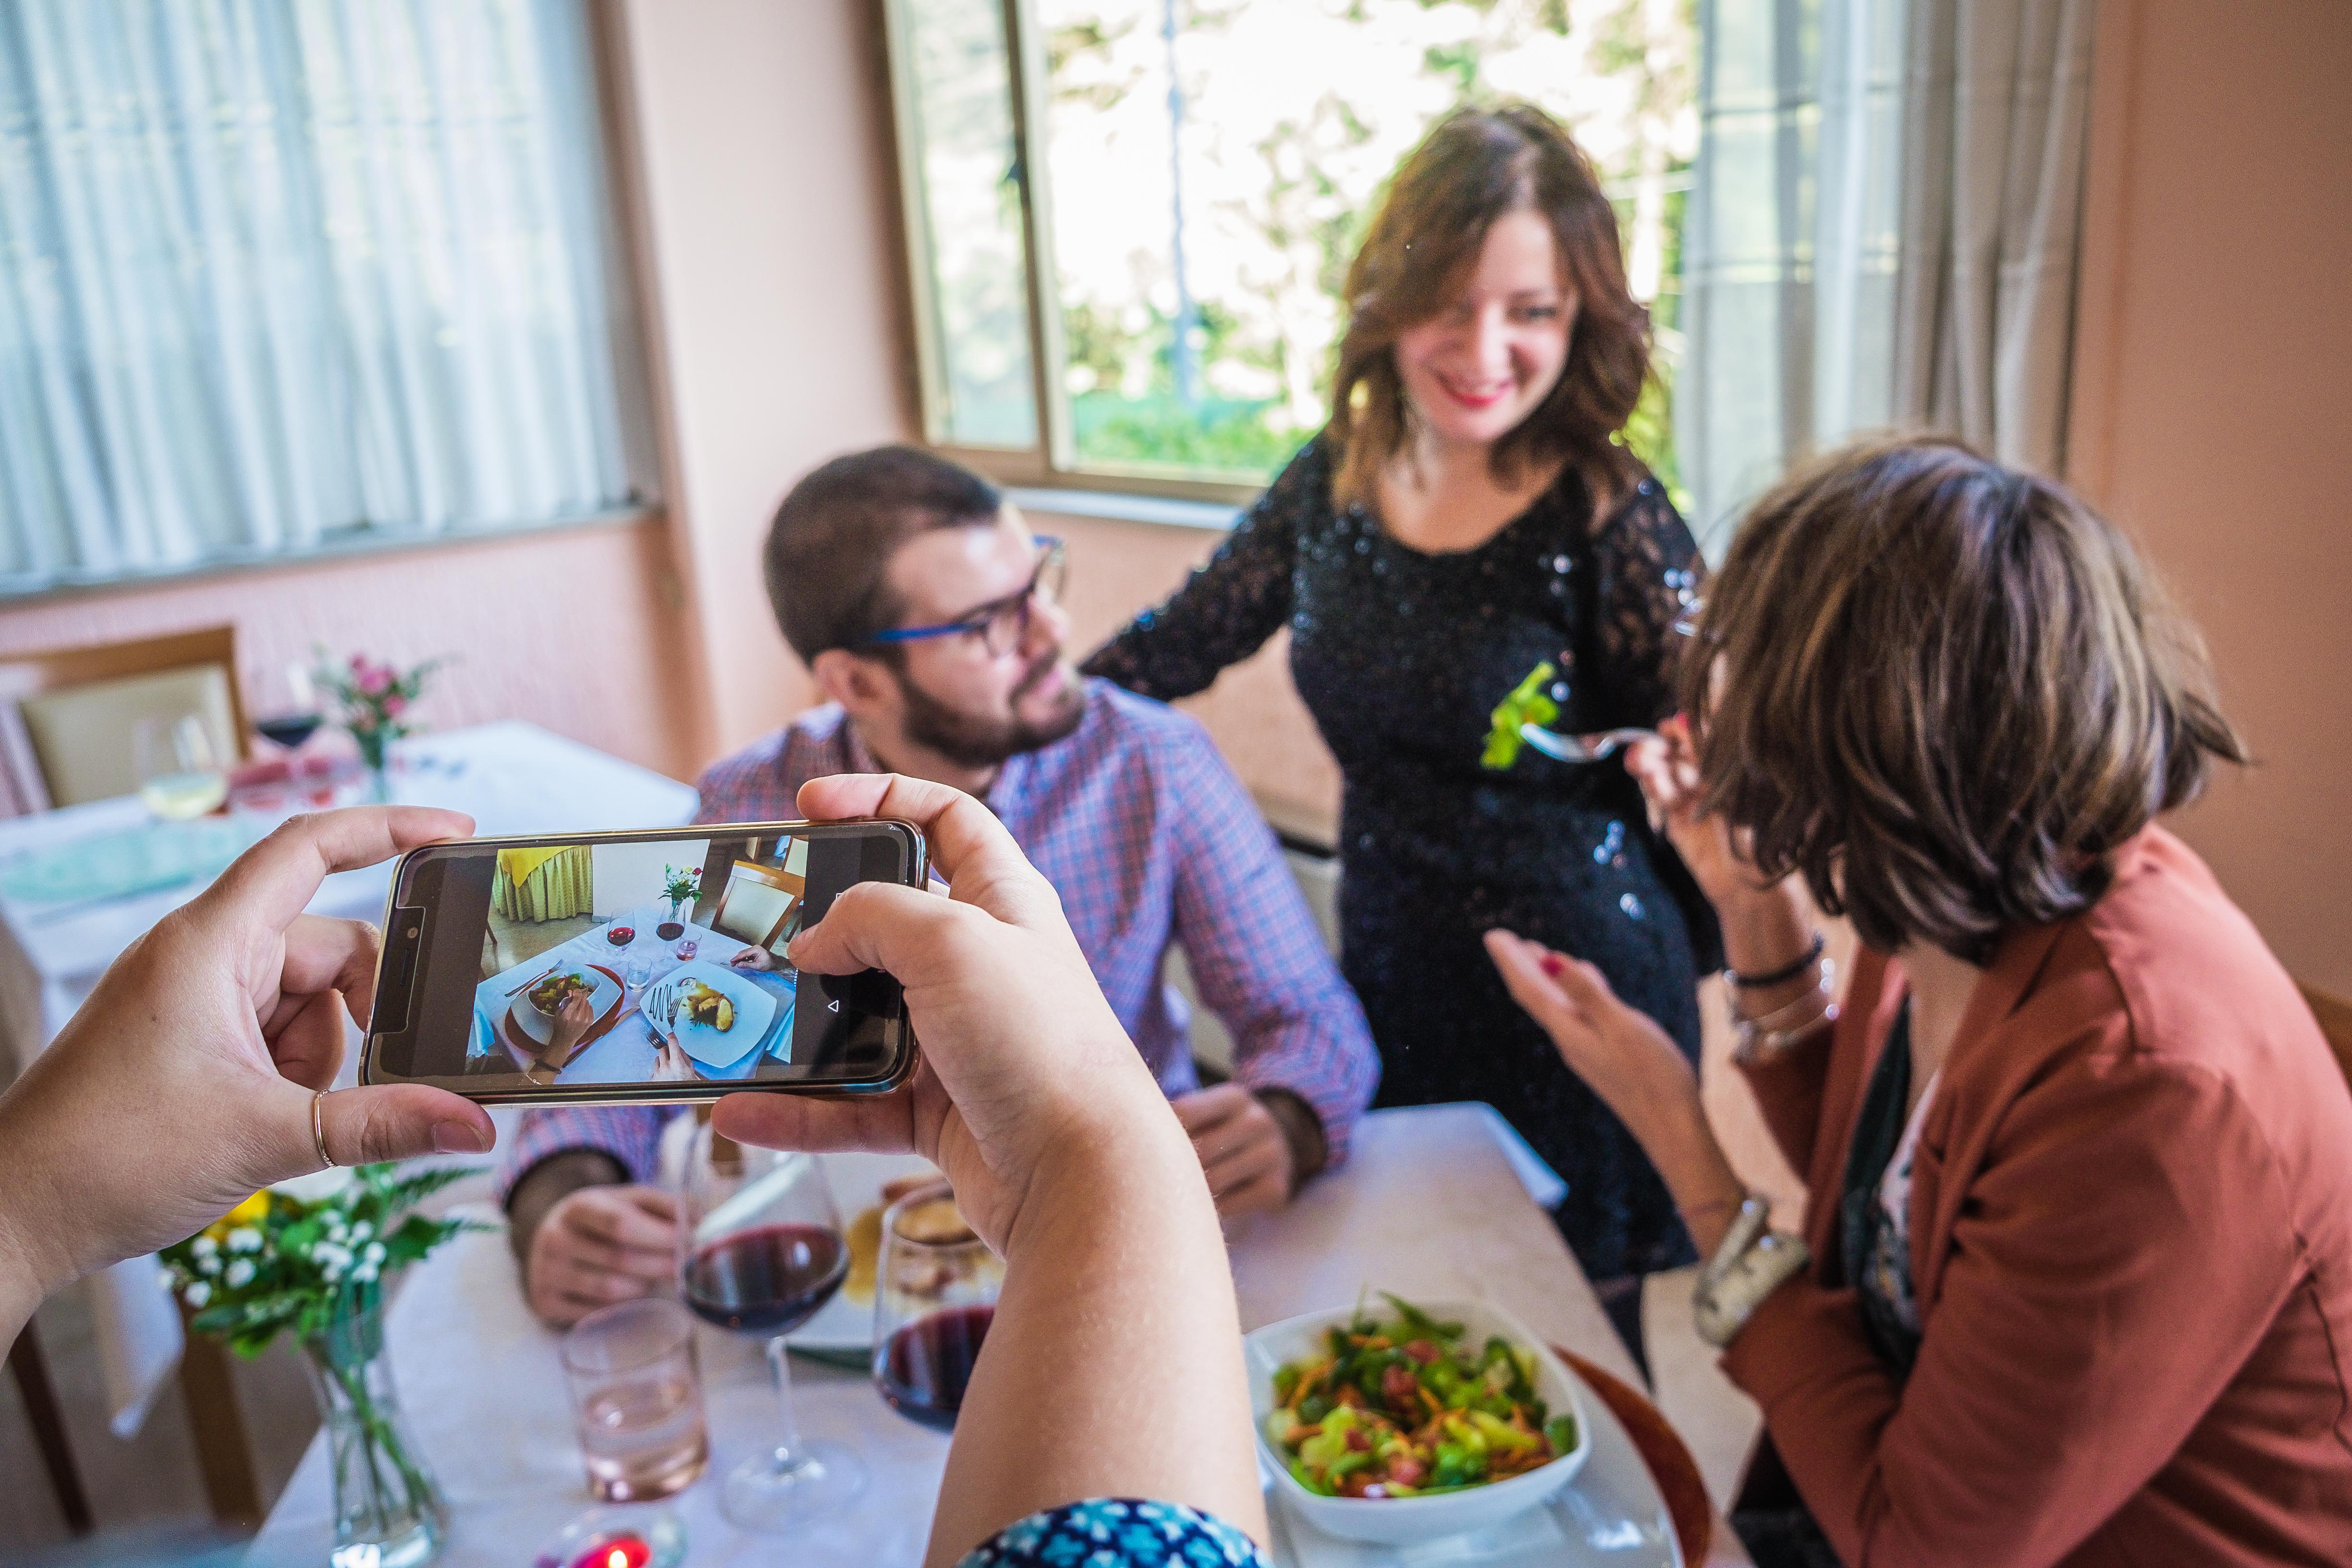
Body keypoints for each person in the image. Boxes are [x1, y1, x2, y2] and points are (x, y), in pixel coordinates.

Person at [0, 798, 1270, 1568]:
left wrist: (33, 1196)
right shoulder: (753, 831)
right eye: (971, 615)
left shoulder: (1146, 754)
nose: (1032, 632)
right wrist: (1098, 1152)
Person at [1486, 437, 2352, 1566]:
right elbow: (1881, 1208)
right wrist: (1751, 899)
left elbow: (1927, 1546)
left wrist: (1681, 1144)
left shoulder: (2145, 1083)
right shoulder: (1968, 878)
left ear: (1881, 742)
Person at [1083, 104, 1719, 1322]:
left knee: (1580, 1328)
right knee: (1417, 1312)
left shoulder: (1608, 512)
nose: (1487, 348)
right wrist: (1009, 715)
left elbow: (1718, 761)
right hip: (1390, 958)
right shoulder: (1334, 476)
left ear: (1578, 318)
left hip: (1579, 983)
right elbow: (1183, 641)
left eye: (1531, 310)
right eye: (1454, 302)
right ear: (1391, 297)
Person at [503, 444, 1379, 1326]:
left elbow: (1307, 1016)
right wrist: (564, 1194)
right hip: (846, 1272)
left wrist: (1289, 1118)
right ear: (855, 681)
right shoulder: (750, 803)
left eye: (1039, 583)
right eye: (987, 623)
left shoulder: (1155, 763)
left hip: (1110, 1234)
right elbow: (619, 1050)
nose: (1052, 633)